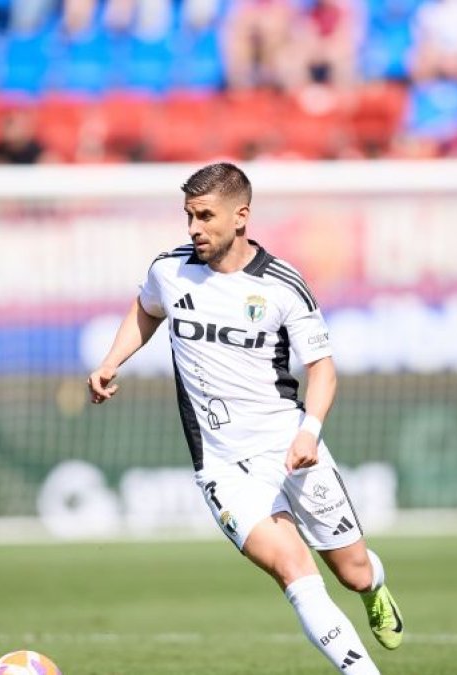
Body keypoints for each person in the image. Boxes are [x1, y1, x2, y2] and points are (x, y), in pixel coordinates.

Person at [88, 162, 402, 673]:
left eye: (205, 216)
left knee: (354, 571)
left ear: (241, 216)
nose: (193, 228)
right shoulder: (169, 270)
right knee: (292, 567)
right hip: (222, 466)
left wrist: (310, 432)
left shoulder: (282, 285)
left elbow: (322, 370)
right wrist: (110, 361)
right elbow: (147, 308)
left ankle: (376, 591)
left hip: (290, 448)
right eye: (188, 216)